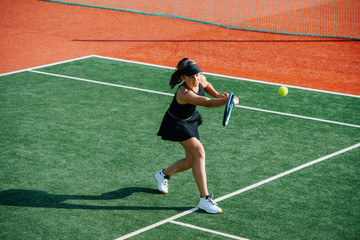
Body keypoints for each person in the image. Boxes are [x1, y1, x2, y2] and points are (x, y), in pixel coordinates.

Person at [155, 58, 239, 214]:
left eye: (197, 74)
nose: (196, 79)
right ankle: (204, 199)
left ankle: (163, 175)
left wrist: (218, 95)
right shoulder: (184, 92)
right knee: (199, 152)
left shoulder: (200, 78)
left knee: (190, 161)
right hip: (176, 123)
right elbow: (207, 103)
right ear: (182, 78)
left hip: (190, 120)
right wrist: (227, 100)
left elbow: (206, 86)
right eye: (191, 77)